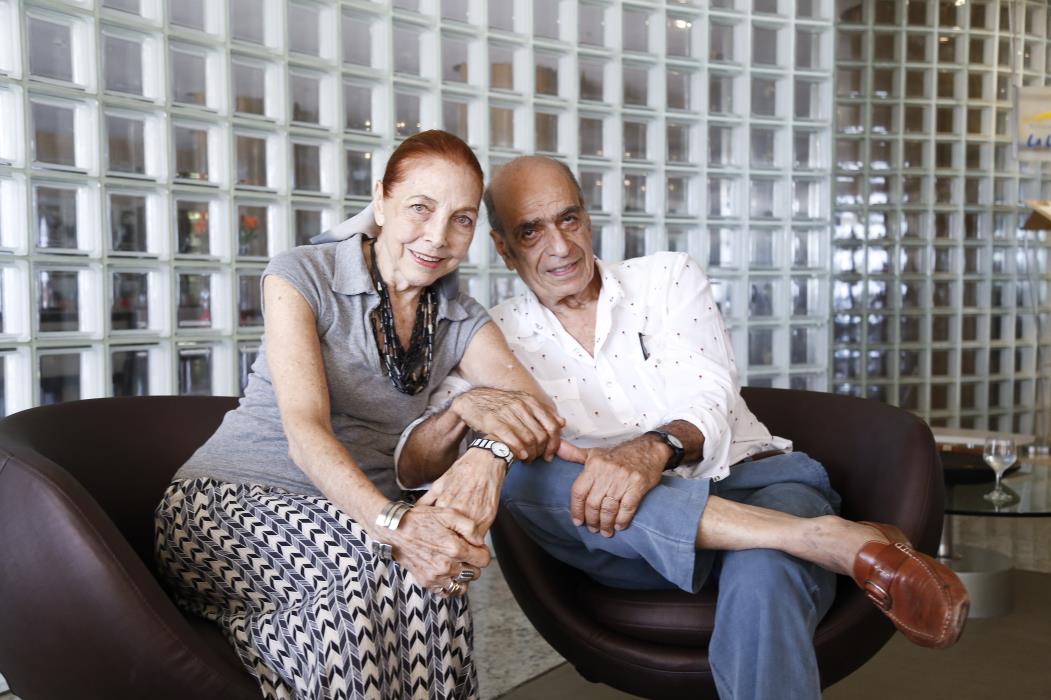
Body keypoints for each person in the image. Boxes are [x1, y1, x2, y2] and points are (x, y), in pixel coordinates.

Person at [397, 155, 970, 700]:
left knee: (764, 570)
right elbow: (414, 464)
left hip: (757, 483)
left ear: (587, 217)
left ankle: (780, 537)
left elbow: (709, 393)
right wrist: (463, 415)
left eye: (569, 218)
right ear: (501, 247)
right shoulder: (490, 333)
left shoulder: (667, 278)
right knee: (519, 471)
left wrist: (652, 449)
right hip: (621, 539)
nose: (561, 246)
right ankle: (823, 537)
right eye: (531, 231)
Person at [154, 132, 563, 700]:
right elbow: (305, 432)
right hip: (229, 502)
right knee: (376, 571)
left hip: (355, 526)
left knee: (432, 579)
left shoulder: (456, 315)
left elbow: (536, 411)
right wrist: (399, 525)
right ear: (381, 200)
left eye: (462, 219)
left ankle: (270, 635)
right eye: (421, 207)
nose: (438, 236)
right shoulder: (302, 274)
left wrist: (485, 454)